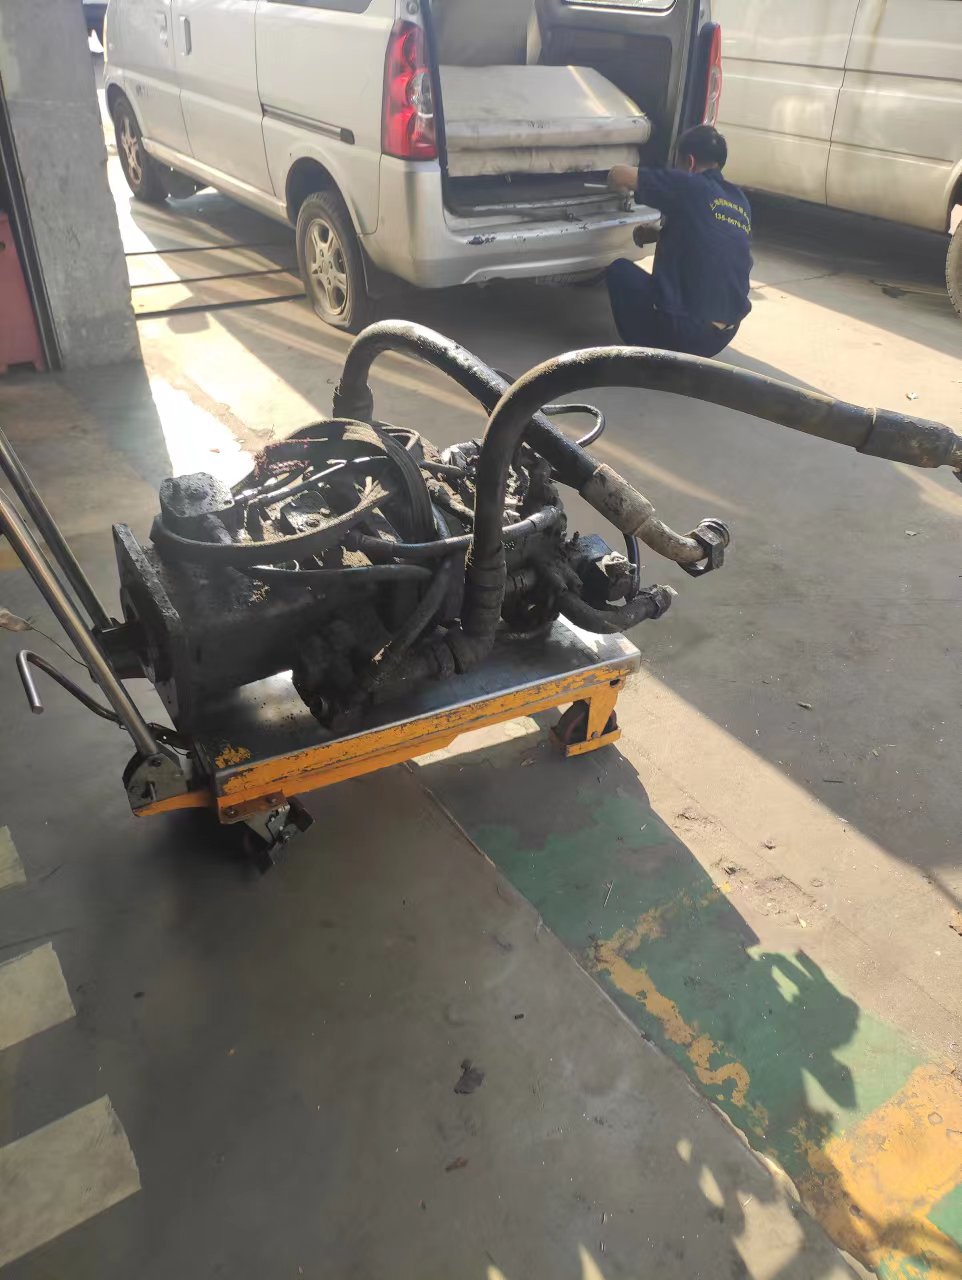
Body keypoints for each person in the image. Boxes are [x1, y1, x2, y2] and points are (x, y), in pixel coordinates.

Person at [605, 125, 753, 358]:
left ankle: (648, 354)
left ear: (690, 162)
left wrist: (609, 187)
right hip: (724, 334)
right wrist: (658, 233)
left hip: (686, 333)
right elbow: (706, 236)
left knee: (619, 270)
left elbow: (619, 174)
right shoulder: (739, 200)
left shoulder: (689, 184)